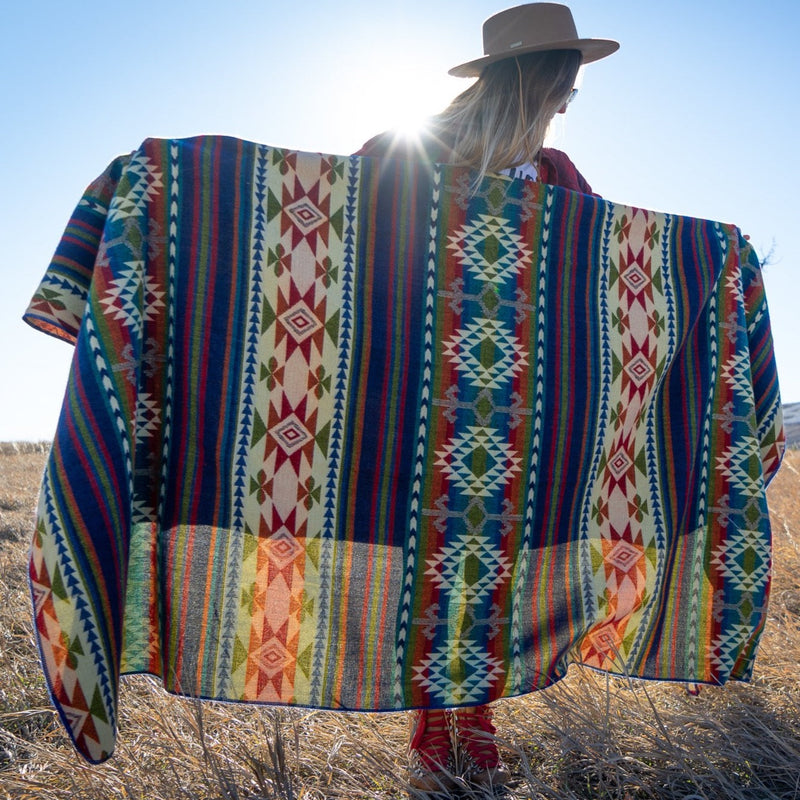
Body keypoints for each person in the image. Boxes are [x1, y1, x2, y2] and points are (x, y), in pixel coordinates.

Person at [356, 3, 619, 794]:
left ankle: (463, 733)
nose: (567, 103)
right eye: (566, 87)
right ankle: (447, 741)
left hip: (521, 410)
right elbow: (345, 245)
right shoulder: (399, 151)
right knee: (437, 569)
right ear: (545, 80)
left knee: (492, 571)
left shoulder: (560, 176)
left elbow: (599, 268)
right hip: (418, 395)